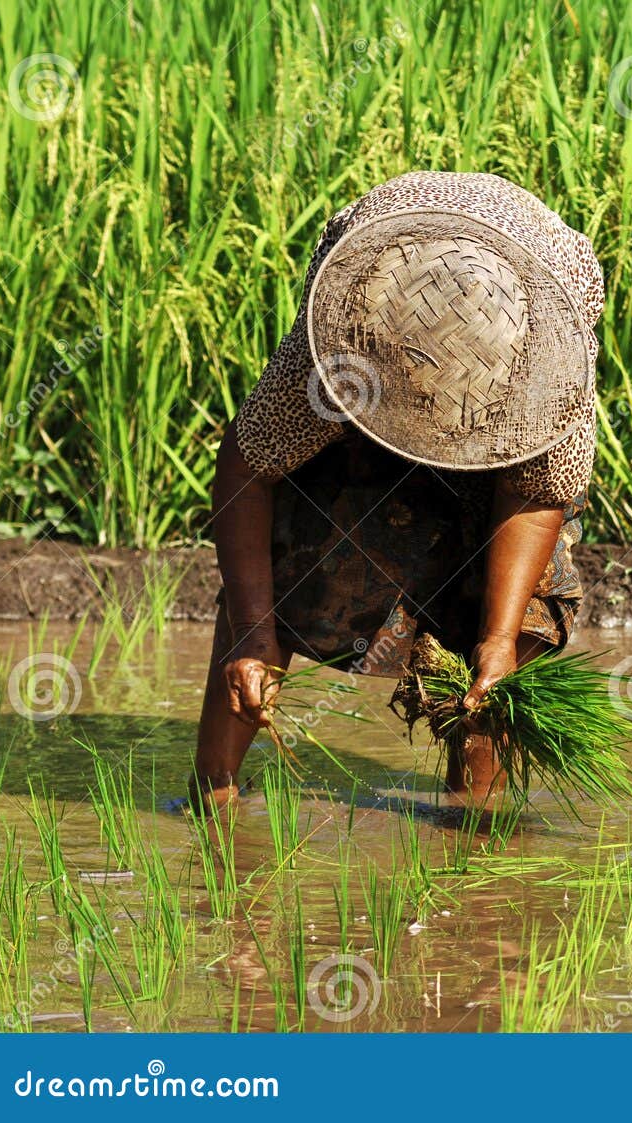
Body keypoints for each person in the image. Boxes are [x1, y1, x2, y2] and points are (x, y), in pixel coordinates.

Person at [190, 171, 603, 812]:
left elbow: (537, 493)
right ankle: (212, 797)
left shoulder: (548, 360)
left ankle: (471, 820)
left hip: (507, 363)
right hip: (373, 380)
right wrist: (252, 631)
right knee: (281, 561)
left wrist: (497, 639)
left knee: (516, 625)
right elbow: (249, 466)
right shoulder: (345, 338)